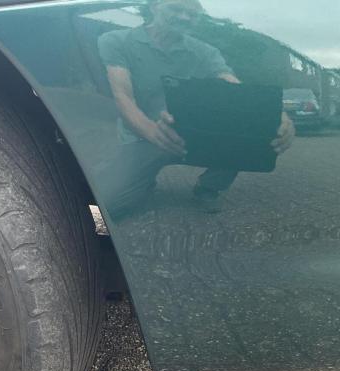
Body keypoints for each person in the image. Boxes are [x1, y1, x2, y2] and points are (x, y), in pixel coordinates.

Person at [97, 0, 295, 218]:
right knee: (104, 204)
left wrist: (275, 115)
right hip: (143, 136)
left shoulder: (205, 52)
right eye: (175, 8)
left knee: (245, 137)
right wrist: (152, 132)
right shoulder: (117, 40)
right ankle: (137, 185)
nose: (184, 17)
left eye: (192, 14)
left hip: (192, 133)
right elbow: (123, 96)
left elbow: (234, 87)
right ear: (154, 6)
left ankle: (208, 187)